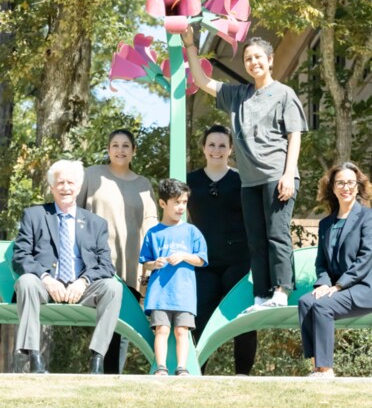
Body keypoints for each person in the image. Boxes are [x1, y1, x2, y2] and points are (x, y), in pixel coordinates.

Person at [182, 27, 308, 309]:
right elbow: (202, 80)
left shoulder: (284, 94)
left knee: (277, 234)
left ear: (270, 60)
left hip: (277, 177)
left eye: (258, 57)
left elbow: (295, 134)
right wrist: (190, 45)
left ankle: (281, 291)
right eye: (249, 58)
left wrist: (289, 174)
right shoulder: (237, 95)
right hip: (249, 182)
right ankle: (261, 295)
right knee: (256, 240)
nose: (253, 62)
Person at [12, 159, 123, 375]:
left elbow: (106, 265)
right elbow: (20, 257)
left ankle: (97, 359)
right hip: (43, 286)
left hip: (81, 289)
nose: (65, 188)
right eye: (60, 183)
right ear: (52, 187)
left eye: (70, 183)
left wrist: (83, 282)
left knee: (113, 288)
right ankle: (35, 358)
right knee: (26, 281)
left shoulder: (95, 223)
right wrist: (45, 278)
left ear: (79, 187)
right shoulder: (34, 216)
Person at [77, 128, 158, 373]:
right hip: (94, 263)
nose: (120, 150)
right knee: (100, 318)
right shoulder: (92, 176)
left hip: (130, 264)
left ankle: (112, 375)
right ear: (108, 149)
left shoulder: (144, 184)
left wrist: (149, 270)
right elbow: (74, 213)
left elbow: (150, 224)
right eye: (115, 145)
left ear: (133, 151)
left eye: (125, 146)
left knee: (122, 325)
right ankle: (96, 368)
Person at [187, 124, 257, 375]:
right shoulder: (189, 181)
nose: (216, 150)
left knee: (241, 318)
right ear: (204, 148)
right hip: (202, 262)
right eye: (212, 145)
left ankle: (242, 375)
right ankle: (196, 371)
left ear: (230, 150)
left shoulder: (241, 180)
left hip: (237, 260)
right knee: (200, 317)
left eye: (222, 145)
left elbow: (254, 219)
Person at [298, 162, 372, 378]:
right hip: (336, 288)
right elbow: (321, 262)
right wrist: (323, 284)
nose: (345, 187)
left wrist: (339, 285)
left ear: (358, 186)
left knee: (322, 306)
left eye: (350, 182)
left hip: (363, 287)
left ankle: (327, 369)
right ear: (332, 188)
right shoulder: (326, 224)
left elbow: (366, 257)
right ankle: (317, 367)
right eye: (340, 183)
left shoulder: (368, 217)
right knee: (306, 301)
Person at [139, 178, 208, 376]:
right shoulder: (153, 233)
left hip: (184, 294)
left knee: (181, 331)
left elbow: (202, 260)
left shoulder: (192, 231)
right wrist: (155, 264)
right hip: (160, 294)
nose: (180, 207)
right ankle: (161, 367)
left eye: (184, 202)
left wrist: (185, 256)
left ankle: (182, 368)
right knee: (161, 330)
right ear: (163, 204)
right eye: (176, 202)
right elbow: (145, 261)